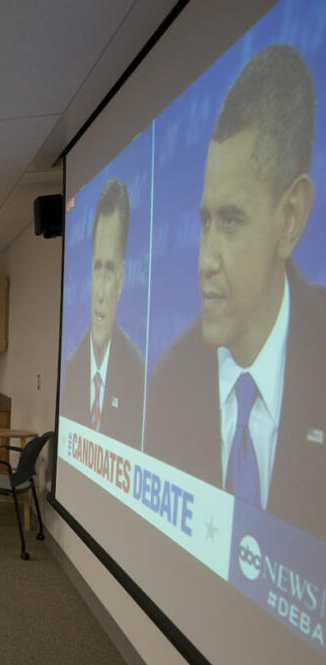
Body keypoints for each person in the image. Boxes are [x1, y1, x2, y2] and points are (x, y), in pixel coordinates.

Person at [145, 45, 326, 539]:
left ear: (290, 219)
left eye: (231, 221)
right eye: (206, 221)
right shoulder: (169, 381)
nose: (206, 261)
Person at [61, 178, 145, 448]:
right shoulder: (73, 368)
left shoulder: (137, 374)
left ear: (121, 280)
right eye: (97, 268)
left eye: (109, 270)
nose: (100, 292)